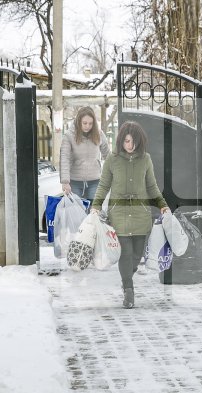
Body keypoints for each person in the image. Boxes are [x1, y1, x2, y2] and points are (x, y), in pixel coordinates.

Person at [91, 121, 170, 309]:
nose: (130, 145)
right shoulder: (112, 159)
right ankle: (128, 289)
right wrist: (96, 205)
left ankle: (127, 276)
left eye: (133, 141)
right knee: (125, 253)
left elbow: (151, 186)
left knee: (136, 255)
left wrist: (162, 205)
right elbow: (103, 185)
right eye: (126, 141)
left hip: (140, 213)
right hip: (118, 213)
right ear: (121, 141)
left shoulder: (146, 159)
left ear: (140, 141)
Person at [60, 106, 110, 201]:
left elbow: (108, 155)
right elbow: (64, 158)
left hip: (95, 181)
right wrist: (65, 182)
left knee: (93, 211)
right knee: (78, 212)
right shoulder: (69, 136)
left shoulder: (99, 134)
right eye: (85, 123)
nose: (87, 126)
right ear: (79, 121)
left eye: (90, 123)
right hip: (75, 182)